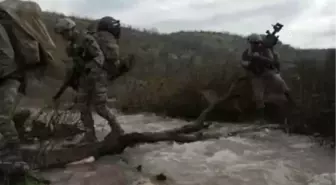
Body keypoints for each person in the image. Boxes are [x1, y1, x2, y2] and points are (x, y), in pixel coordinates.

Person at [0, 0, 57, 174]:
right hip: (13, 75)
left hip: (9, 76)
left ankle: (14, 156)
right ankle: (19, 128)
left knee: (1, 117)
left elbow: (6, 55)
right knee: (5, 115)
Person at [54, 18, 124, 143]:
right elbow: (76, 64)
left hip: (98, 76)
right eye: (62, 34)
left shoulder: (86, 39)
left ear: (71, 29)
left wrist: (91, 72)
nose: (63, 36)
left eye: (65, 33)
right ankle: (90, 135)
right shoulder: (71, 46)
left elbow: (99, 57)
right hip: (85, 77)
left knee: (100, 107)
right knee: (82, 106)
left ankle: (118, 130)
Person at [241, 33, 292, 124]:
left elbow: (272, 61)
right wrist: (251, 62)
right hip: (256, 76)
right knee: (258, 97)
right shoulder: (246, 52)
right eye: (253, 43)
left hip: (268, 72)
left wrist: (260, 58)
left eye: (257, 43)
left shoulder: (265, 50)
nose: (256, 45)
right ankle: (261, 117)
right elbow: (244, 63)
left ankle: (292, 102)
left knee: (281, 83)